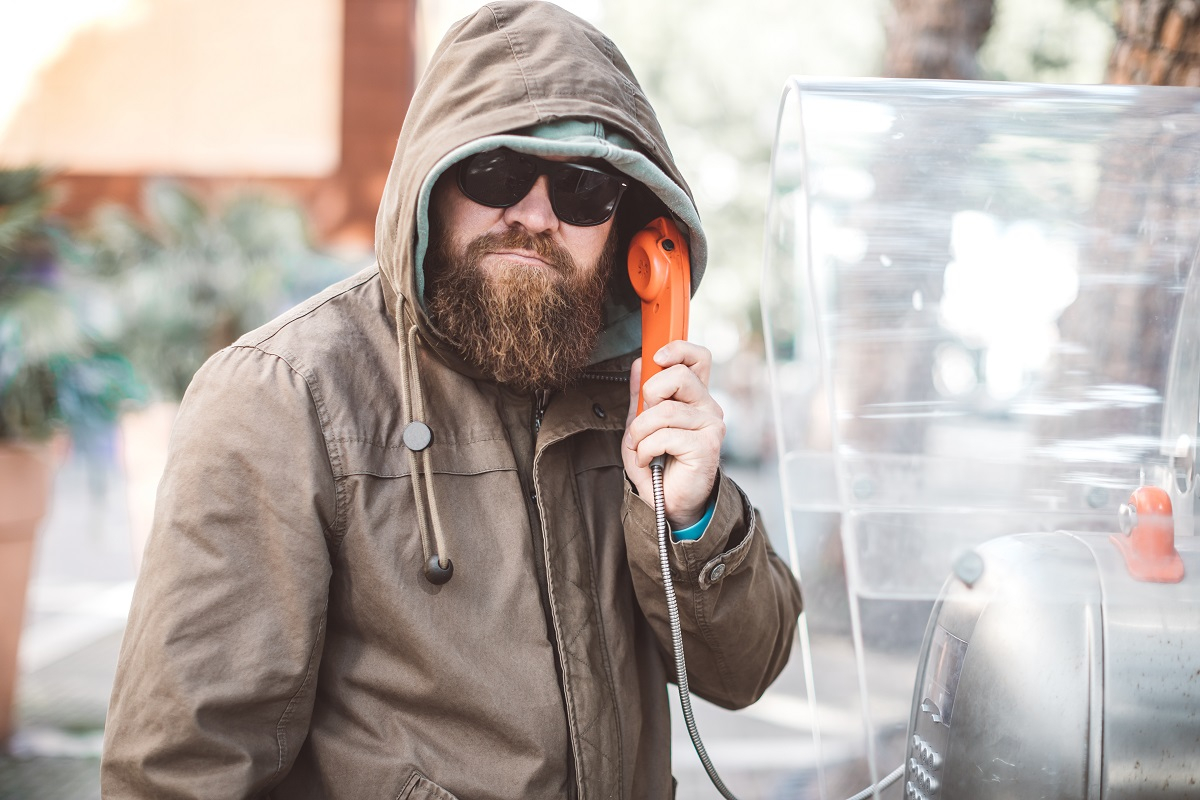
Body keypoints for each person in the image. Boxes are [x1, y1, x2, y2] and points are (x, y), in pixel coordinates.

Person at [100, 2, 803, 798]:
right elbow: (182, 769)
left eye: (583, 189)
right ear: (430, 182)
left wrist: (692, 517)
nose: (536, 215)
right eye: (497, 171)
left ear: (631, 224)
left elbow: (749, 671)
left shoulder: (643, 404)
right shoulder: (284, 394)